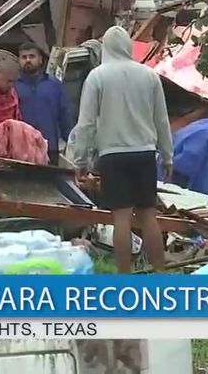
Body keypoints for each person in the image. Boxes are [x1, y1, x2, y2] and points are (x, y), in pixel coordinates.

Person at [72, 26, 173, 274]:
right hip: (144, 154)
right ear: (128, 46)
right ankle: (160, 272)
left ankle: (124, 278)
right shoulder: (149, 76)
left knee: (122, 218)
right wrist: (168, 155)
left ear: (105, 47)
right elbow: (161, 119)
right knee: (149, 215)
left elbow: (86, 123)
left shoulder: (97, 77)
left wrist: (80, 159)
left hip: (112, 155)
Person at [15, 42, 72, 165]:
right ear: (19, 60)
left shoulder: (54, 85)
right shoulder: (13, 86)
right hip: (21, 150)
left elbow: (64, 115)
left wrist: (70, 141)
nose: (28, 60)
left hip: (49, 148)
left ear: (40, 59)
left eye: (32, 56)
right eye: (24, 57)